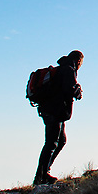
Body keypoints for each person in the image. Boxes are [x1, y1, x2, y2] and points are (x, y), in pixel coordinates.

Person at [33, 50, 83, 185]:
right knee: (52, 143)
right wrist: (77, 91)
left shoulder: (61, 68)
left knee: (59, 141)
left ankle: (44, 173)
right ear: (78, 61)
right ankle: (40, 177)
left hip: (51, 110)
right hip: (55, 111)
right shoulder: (68, 70)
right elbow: (68, 89)